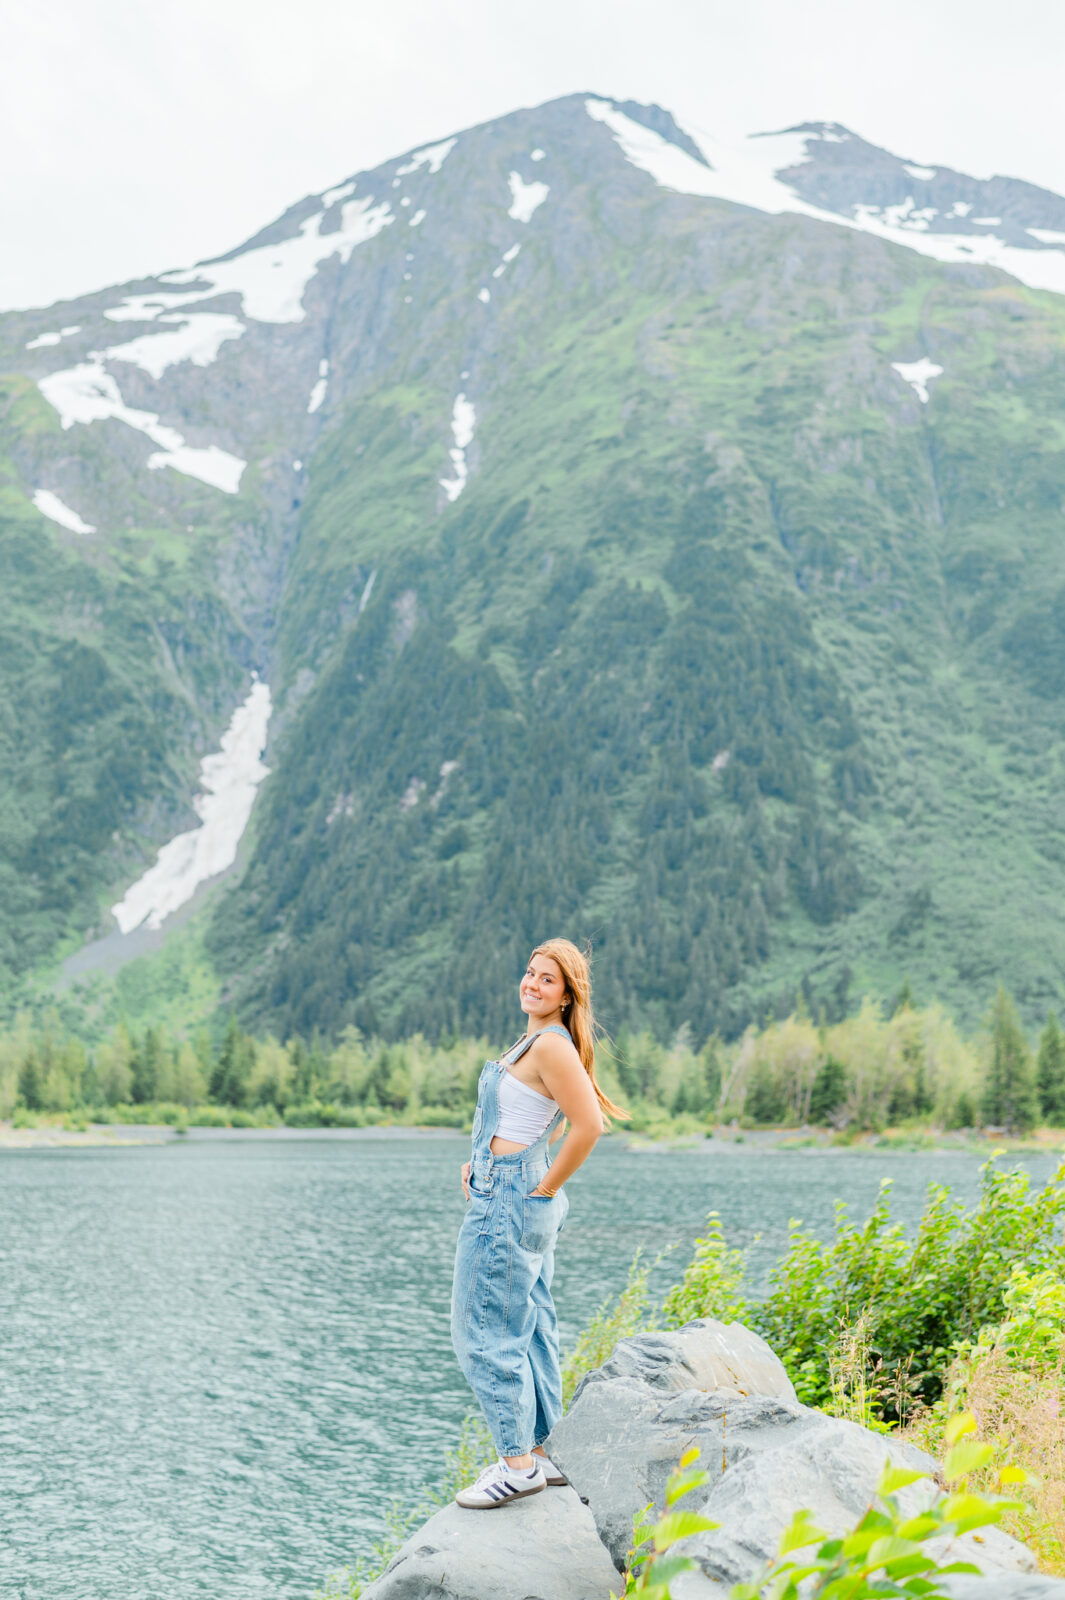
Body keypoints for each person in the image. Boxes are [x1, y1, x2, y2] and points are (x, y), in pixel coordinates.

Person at [450, 937, 628, 1509]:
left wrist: (541, 1185)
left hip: (512, 1199)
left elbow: (589, 1126)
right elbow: (526, 1117)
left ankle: (517, 1465)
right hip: (508, 1186)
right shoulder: (537, 1040)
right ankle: (544, 1454)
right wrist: (484, 1161)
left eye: (547, 979)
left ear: (567, 995)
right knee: (531, 1328)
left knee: (483, 1335)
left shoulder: (550, 1045)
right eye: (530, 972)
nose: (532, 983)